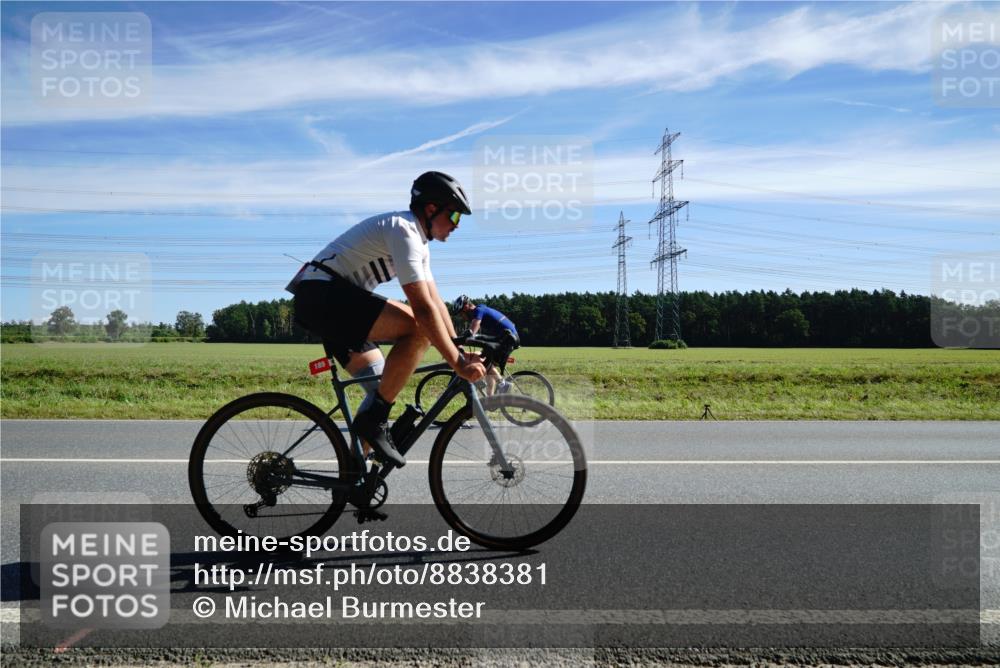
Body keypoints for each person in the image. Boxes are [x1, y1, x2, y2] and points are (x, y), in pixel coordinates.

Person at [287, 172, 486, 468]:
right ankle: (373, 426)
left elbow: (435, 302)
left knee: (383, 387)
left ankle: (355, 475)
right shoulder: (404, 230)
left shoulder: (420, 242)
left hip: (333, 304)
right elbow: (422, 310)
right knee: (418, 330)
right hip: (321, 296)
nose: (457, 224)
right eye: (454, 214)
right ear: (431, 209)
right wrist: (457, 363)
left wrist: (458, 345)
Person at [452, 296, 519, 395]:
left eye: (461, 314)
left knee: (485, 364)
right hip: (504, 337)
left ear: (466, 307)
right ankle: (490, 397)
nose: (462, 317)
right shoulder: (480, 309)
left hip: (508, 338)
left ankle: (503, 384)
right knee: (486, 363)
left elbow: (472, 331)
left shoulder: (478, 310)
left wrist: (458, 340)